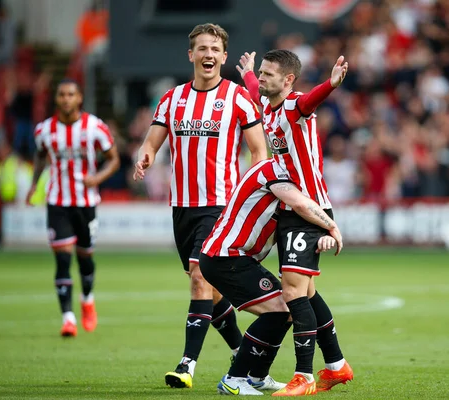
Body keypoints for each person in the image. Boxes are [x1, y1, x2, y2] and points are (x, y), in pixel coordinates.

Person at [132, 23, 268, 389]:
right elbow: (151, 143)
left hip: (220, 205)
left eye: (215, 49)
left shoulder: (239, 97)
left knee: (199, 279)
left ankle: (187, 365)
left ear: (224, 57)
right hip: (182, 208)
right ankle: (246, 357)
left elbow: (258, 151)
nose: (208, 54)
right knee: (212, 289)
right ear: (190, 55)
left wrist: (252, 193)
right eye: (202, 48)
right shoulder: (172, 99)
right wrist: (144, 157)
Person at [237, 50, 353, 395]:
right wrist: (246, 73)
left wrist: (330, 85)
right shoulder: (267, 108)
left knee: (291, 293)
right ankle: (336, 366)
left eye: (268, 74)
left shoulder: (294, 106)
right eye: (261, 72)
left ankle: (304, 376)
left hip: (310, 209)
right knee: (307, 292)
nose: (261, 78)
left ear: (289, 80)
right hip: (290, 210)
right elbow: (255, 89)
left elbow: (308, 103)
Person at [199, 158, 343, 396]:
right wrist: (333, 228)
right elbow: (302, 205)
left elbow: (296, 231)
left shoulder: (282, 181)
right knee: (281, 310)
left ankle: (257, 377)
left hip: (236, 258)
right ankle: (234, 378)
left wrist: (319, 237)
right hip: (225, 256)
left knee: (285, 310)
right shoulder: (274, 171)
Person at [26, 79, 120, 337]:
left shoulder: (95, 127)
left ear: (79, 98)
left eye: (71, 94)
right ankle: (68, 318)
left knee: (85, 257)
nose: (66, 99)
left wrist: (97, 178)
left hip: (86, 203)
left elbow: (113, 160)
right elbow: (40, 157)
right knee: (63, 258)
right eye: (61, 95)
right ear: (56, 99)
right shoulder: (44, 130)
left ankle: (87, 300)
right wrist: (34, 185)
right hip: (57, 202)